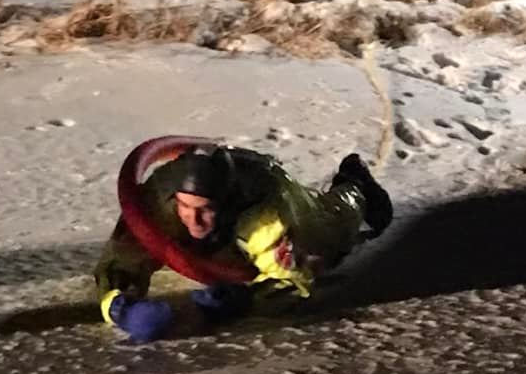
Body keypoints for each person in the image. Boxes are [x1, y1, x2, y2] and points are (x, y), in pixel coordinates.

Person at [94, 144, 393, 342]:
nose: (193, 219)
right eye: (185, 207)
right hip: (224, 196)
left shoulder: (266, 219)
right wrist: (121, 307)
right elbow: (120, 260)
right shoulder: (158, 199)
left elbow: (294, 282)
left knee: (330, 233)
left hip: (277, 192)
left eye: (205, 210)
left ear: (223, 203)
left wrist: (245, 298)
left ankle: (354, 185)